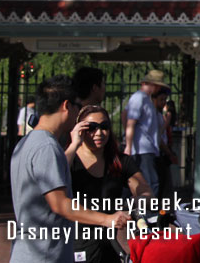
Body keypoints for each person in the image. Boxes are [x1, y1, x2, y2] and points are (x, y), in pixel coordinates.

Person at [10, 75, 129, 263]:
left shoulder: (27, 143)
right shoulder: (47, 148)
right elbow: (60, 204)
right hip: (45, 255)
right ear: (66, 106)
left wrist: (74, 145)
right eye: (77, 107)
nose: (78, 113)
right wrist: (107, 219)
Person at [65, 105, 152, 263]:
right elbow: (55, 176)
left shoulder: (120, 161)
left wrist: (130, 207)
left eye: (104, 127)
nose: (99, 133)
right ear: (79, 129)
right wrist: (73, 144)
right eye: (91, 127)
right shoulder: (70, 160)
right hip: (80, 241)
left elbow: (146, 192)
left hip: (114, 242)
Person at [124, 69, 171, 196]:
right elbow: (130, 122)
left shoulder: (146, 99)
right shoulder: (139, 98)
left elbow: (127, 116)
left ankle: (146, 210)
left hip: (147, 148)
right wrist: (128, 146)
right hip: (142, 149)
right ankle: (148, 212)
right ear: (154, 85)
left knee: (150, 182)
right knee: (150, 183)